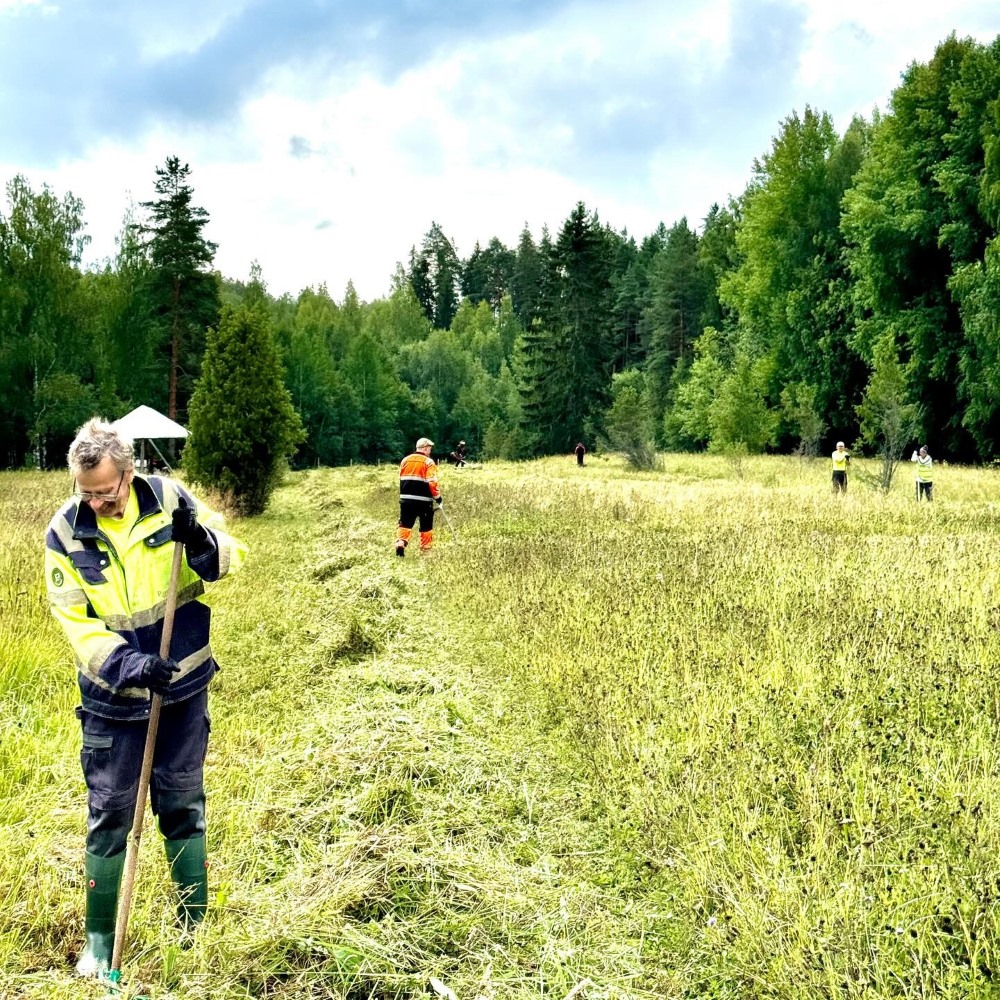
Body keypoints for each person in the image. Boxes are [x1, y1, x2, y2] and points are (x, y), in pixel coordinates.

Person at [44, 418, 247, 978]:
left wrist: (201, 539)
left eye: (106, 491)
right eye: (87, 492)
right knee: (110, 813)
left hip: (182, 687)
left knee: (182, 802)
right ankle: (99, 942)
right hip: (114, 698)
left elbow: (229, 555)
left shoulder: (168, 499)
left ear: (128, 473)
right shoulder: (64, 533)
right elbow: (76, 621)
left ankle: (193, 925)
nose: (98, 502)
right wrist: (130, 664)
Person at [396, 436, 442, 556]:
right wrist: (438, 497)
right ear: (425, 448)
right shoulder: (428, 462)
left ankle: (401, 542)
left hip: (405, 499)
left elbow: (400, 479)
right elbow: (432, 482)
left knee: (405, 523)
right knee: (426, 525)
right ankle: (425, 550)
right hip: (423, 500)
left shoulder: (404, 460)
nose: (430, 451)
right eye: (430, 449)